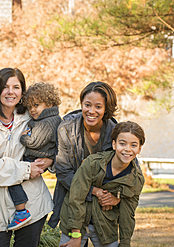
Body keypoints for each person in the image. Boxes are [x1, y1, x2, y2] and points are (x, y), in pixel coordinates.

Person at [0, 68, 53, 247]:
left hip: (33, 203)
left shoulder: (31, 115)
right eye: (5, 87)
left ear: (22, 91)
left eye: (16, 87)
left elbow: (55, 133)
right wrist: (27, 169)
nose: (10, 92)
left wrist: (50, 159)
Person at [59, 121, 146, 247]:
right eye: (122, 143)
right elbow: (76, 197)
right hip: (76, 224)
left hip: (105, 227)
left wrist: (125, 243)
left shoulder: (135, 179)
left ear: (139, 149)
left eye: (133, 145)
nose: (127, 149)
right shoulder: (92, 163)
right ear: (114, 144)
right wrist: (75, 235)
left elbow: (128, 214)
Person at [48, 81, 120, 229]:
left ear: (106, 109)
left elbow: (127, 170)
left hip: (104, 204)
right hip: (73, 199)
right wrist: (94, 191)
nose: (91, 111)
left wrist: (115, 197)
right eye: (87, 105)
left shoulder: (116, 133)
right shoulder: (66, 129)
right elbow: (63, 172)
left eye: (98, 107)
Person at [6, 82, 62, 231]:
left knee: (12, 176)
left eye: (36, 105)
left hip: (35, 159)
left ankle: (21, 211)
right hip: (38, 157)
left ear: (49, 103)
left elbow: (35, 141)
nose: (32, 110)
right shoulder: (46, 119)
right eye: (30, 107)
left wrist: (24, 137)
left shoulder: (48, 122)